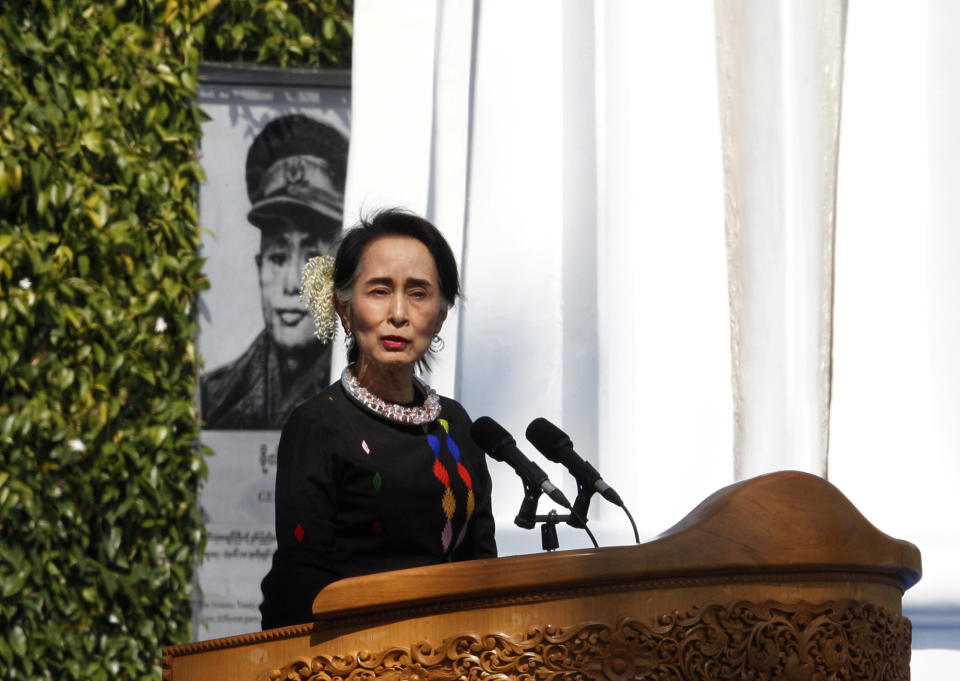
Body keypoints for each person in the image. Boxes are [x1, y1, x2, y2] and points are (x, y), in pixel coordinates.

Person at [258, 209, 497, 629]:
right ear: (345, 310)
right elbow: (300, 580)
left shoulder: (458, 427)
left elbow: (482, 565)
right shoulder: (318, 426)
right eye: (380, 291)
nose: (399, 314)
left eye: (419, 293)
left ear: (440, 315)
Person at [201, 114, 349, 430]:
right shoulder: (211, 399)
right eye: (278, 257)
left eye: (312, 257)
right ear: (259, 267)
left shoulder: (368, 394)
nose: (291, 285)